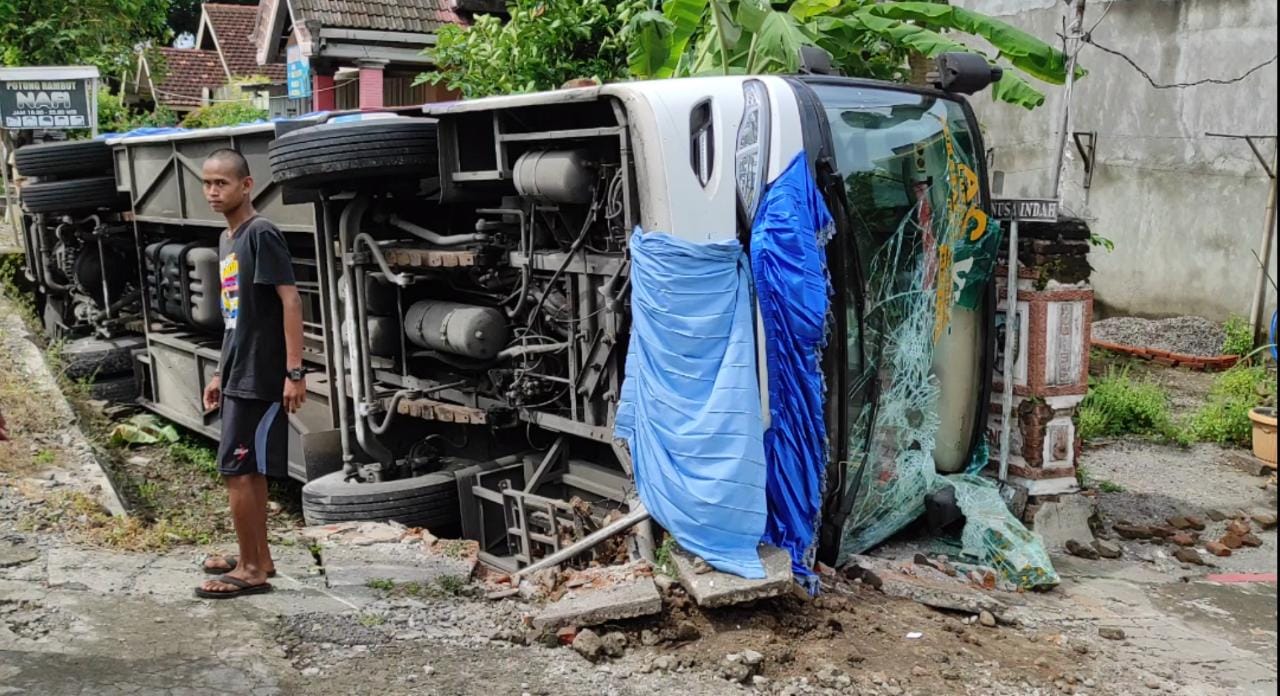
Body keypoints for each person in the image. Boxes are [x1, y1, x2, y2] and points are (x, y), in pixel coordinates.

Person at [196, 148, 306, 599]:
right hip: (238, 370)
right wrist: (221, 372)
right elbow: (233, 316)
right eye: (207, 183)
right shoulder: (227, 240)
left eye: (222, 183)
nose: (212, 191)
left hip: (261, 374)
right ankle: (259, 557)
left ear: (247, 185)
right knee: (247, 471)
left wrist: (294, 372)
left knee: (238, 470)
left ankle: (251, 569)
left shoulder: (261, 232)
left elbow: (291, 300)